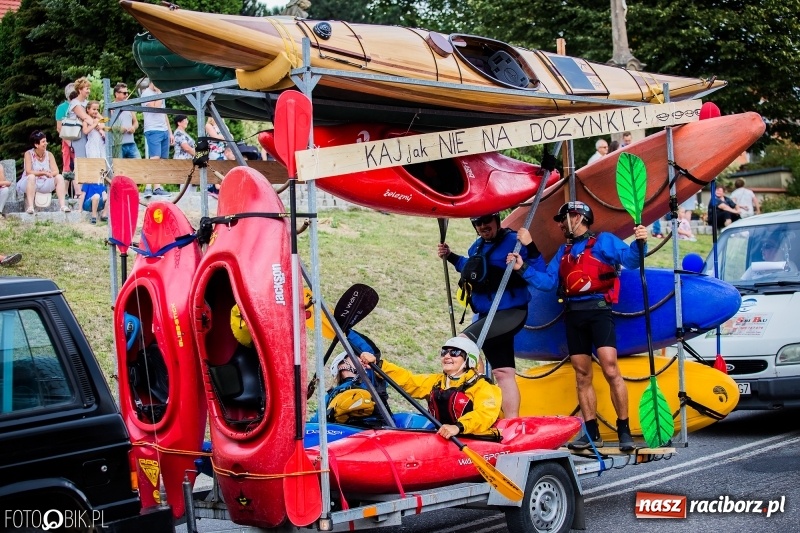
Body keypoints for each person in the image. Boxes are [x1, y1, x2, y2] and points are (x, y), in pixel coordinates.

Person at [507, 201, 646, 451]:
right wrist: (523, 268)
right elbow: (548, 283)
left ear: (577, 217)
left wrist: (639, 242)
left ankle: (624, 429)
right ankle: (591, 433)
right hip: (573, 315)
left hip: (599, 312)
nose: (560, 224)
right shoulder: (564, 251)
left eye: (563, 219)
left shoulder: (605, 242)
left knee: (611, 369)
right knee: (582, 375)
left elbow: (631, 260)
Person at [438, 213, 534, 418]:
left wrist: (530, 247)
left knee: (460, 344)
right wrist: (450, 255)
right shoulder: (477, 247)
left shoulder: (514, 241)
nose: (483, 226)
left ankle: (458, 410)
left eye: (487, 221)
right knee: (503, 372)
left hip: (510, 312)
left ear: (497, 221)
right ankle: (511, 423)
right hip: (487, 315)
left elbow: (535, 265)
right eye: (478, 223)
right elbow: (473, 268)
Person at [359, 336, 502, 439]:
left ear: (469, 359)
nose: (447, 356)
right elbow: (408, 381)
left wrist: (457, 427)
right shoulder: (437, 382)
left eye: (455, 353)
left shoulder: (483, 385)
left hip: (475, 438)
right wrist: (379, 365)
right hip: (443, 436)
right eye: (444, 352)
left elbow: (485, 414)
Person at [323, 330, 391, 426]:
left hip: (378, 428)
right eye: (357, 357)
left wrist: (346, 330)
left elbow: (370, 352)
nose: (363, 360)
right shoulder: (330, 396)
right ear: (340, 365)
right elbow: (316, 423)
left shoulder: (371, 379)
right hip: (347, 435)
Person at [16, 131, 70, 214]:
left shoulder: (49, 154)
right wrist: (43, 173)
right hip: (30, 182)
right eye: (43, 142)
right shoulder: (28, 154)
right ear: (36, 145)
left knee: (59, 177)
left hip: (44, 182)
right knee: (31, 177)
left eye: (46, 141)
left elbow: (56, 171)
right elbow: (28, 171)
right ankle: (30, 207)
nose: (46, 143)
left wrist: (50, 174)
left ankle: (62, 206)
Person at [140, 79, 172, 197]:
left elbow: (163, 113)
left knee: (162, 160)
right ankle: (149, 186)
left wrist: (170, 132)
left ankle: (158, 186)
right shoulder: (147, 93)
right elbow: (156, 108)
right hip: (153, 129)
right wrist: (159, 93)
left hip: (163, 129)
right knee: (154, 158)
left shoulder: (159, 94)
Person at [111, 83, 141, 159]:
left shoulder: (130, 106)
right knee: (119, 168)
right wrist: (118, 128)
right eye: (124, 93)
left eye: (127, 92)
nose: (127, 95)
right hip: (117, 144)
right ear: (116, 94)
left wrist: (133, 128)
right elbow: (104, 125)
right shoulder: (110, 108)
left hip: (131, 143)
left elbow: (136, 122)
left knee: (139, 165)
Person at [67, 77, 92, 160]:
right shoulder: (75, 103)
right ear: (80, 90)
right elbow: (85, 116)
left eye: (89, 89)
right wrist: (97, 124)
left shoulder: (87, 103)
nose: (89, 91)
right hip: (79, 135)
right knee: (82, 159)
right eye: (87, 89)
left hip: (89, 133)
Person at [55, 82, 76, 174]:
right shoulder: (62, 108)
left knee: (79, 167)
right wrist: (70, 143)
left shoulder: (81, 105)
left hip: (80, 139)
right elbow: (59, 128)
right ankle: (64, 188)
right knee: (67, 169)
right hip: (67, 139)